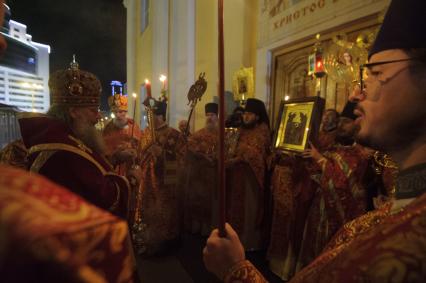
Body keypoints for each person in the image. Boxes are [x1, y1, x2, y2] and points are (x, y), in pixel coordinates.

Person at [203, 0, 426, 281]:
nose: (356, 95)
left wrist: (235, 270)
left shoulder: (409, 244)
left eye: (377, 73)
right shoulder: (393, 218)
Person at [18, 58, 135, 219]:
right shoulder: (62, 150)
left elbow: (86, 172)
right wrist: (132, 180)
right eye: (93, 110)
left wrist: (114, 158)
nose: (98, 116)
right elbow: (104, 198)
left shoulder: (65, 136)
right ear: (73, 112)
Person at [133, 100, 186, 255]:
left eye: (153, 115)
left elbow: (182, 161)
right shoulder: (147, 133)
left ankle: (166, 242)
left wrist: (163, 155)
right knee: (147, 210)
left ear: (162, 116)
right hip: (147, 181)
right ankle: (147, 240)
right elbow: (140, 154)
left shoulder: (175, 135)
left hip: (165, 185)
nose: (150, 119)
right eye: (149, 115)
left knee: (165, 212)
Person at [226, 98, 271, 251]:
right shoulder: (241, 130)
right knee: (236, 208)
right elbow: (232, 147)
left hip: (252, 177)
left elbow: (257, 154)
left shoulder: (263, 130)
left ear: (257, 116)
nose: (245, 116)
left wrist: (240, 155)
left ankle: (248, 244)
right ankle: (235, 240)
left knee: (249, 211)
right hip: (237, 175)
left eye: (249, 114)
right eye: (245, 113)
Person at [183, 102, 219, 235]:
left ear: (217, 116)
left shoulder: (223, 134)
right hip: (199, 175)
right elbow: (190, 146)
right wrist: (201, 154)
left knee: (212, 203)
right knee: (197, 201)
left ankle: (210, 228)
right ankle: (198, 227)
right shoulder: (199, 134)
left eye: (213, 115)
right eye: (208, 115)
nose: (209, 118)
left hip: (214, 175)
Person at [103, 93, 141, 175]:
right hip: (114, 169)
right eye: (115, 112)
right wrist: (118, 153)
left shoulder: (134, 126)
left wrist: (134, 149)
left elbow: (141, 147)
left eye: (120, 112)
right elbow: (105, 152)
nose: (117, 115)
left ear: (125, 112)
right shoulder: (108, 128)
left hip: (130, 167)